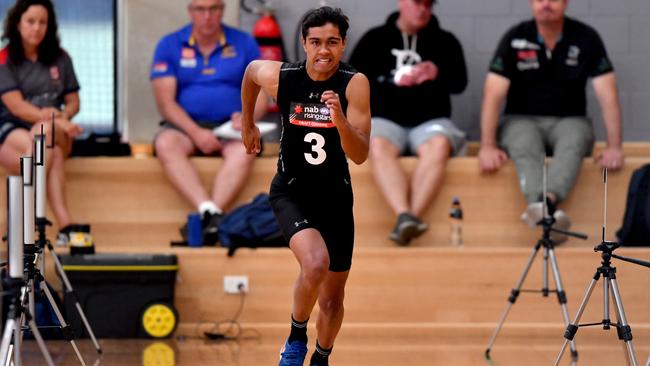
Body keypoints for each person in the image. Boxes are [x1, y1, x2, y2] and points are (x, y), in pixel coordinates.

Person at [240, 7, 371, 366]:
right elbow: (251, 72)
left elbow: (359, 154)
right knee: (314, 263)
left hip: (335, 198)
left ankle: (321, 358)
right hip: (291, 191)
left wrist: (340, 119)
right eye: (315, 42)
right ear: (304, 43)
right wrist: (248, 124)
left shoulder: (353, 83)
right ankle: (296, 336)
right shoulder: (284, 77)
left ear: (343, 44)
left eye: (332, 42)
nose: (323, 51)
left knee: (332, 300)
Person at [478, 0, 624, 241]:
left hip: (570, 119)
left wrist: (615, 146)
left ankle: (543, 204)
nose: (546, 4)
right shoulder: (514, 37)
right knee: (523, 143)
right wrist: (487, 146)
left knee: (574, 141)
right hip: (521, 119)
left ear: (566, 2)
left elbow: (608, 94)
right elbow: (493, 94)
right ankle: (549, 210)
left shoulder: (586, 37)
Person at [349, 0, 467, 246]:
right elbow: (351, 80)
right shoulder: (375, 38)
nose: (422, 9)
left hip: (430, 120)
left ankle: (408, 218)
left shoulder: (445, 40)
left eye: (428, 4)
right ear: (402, 3)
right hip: (386, 119)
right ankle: (405, 214)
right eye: (417, 3)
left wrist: (437, 72)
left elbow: (460, 83)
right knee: (376, 144)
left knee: (439, 144)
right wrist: (387, 81)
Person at [150, 0, 267, 245]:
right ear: (190, 10)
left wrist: (247, 118)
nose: (207, 16)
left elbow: (262, 95)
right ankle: (209, 211)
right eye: (200, 9)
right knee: (165, 143)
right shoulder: (169, 44)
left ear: (222, 10)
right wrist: (196, 133)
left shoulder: (244, 43)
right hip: (186, 127)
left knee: (248, 148)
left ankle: (209, 217)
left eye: (213, 9)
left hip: (232, 126)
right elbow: (165, 103)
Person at [0, 0, 89, 245]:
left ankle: (18, 225)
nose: (37, 28)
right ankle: (66, 225)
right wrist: (55, 119)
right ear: (17, 24)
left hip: (55, 130)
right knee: (52, 153)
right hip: (11, 130)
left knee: (43, 134)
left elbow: (74, 102)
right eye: (31, 22)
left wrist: (62, 117)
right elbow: (17, 107)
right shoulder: (4, 58)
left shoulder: (61, 58)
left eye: (43, 22)